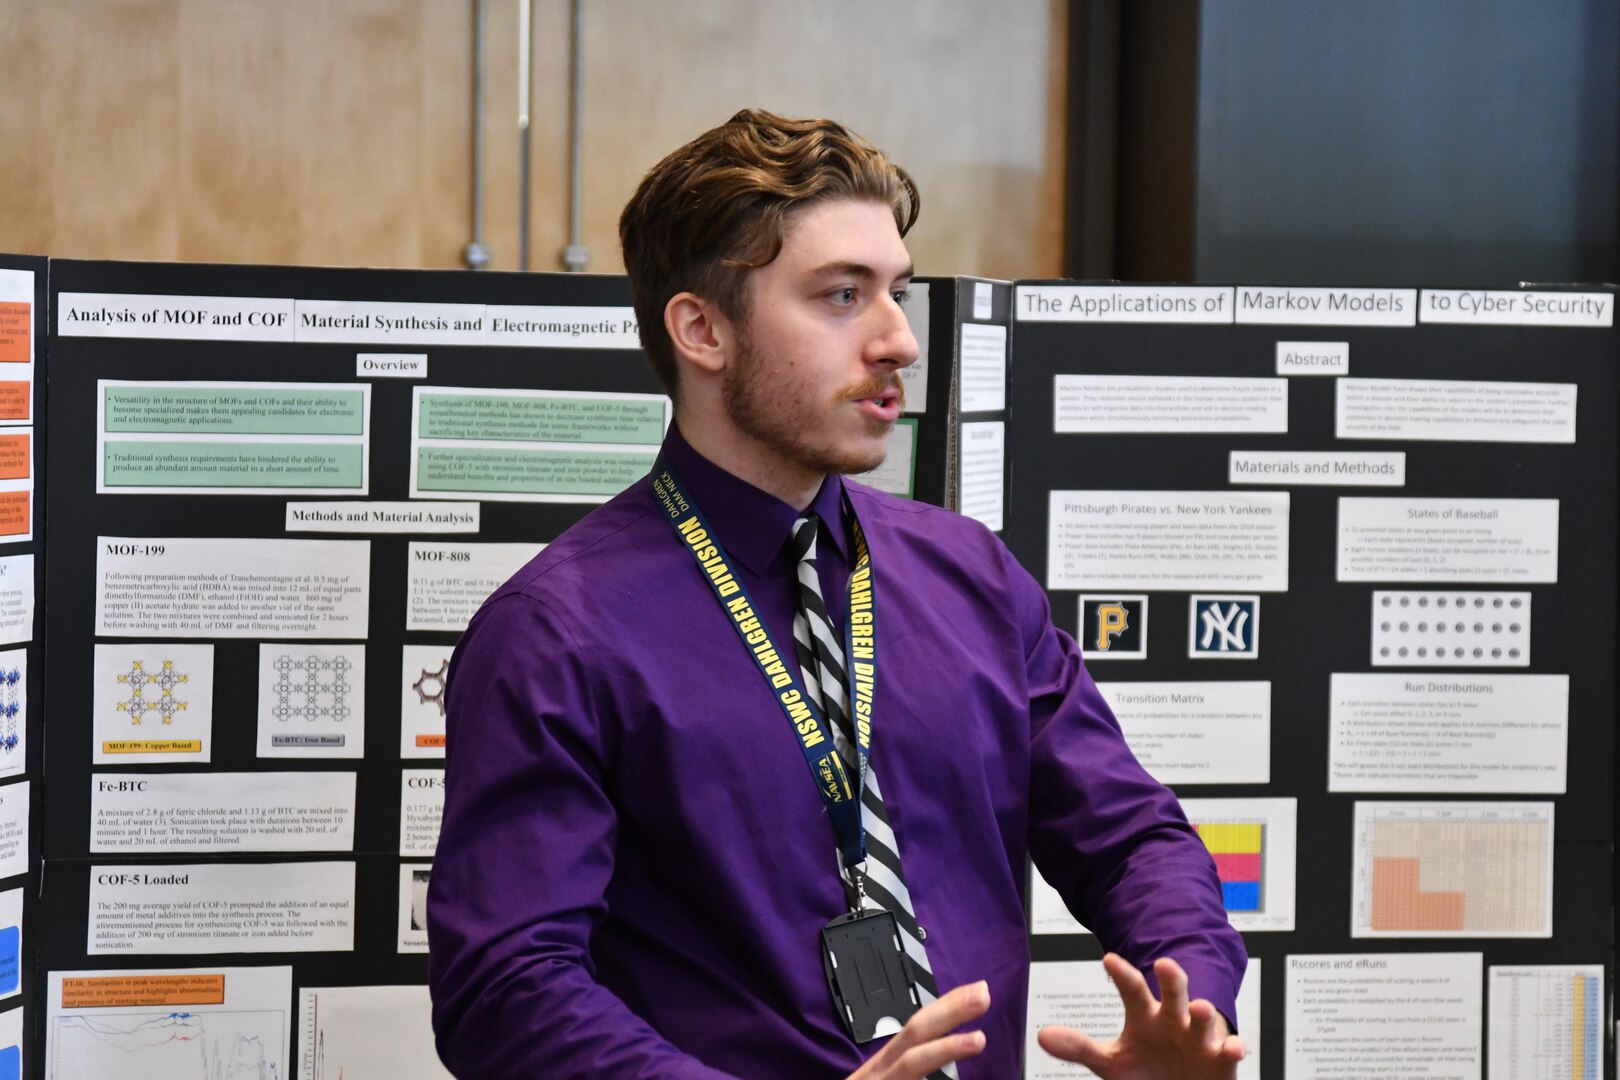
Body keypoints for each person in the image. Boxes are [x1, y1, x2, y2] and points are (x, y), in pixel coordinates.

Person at [427, 108, 1247, 1080]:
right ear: (702, 329)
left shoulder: (973, 581)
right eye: (841, 297)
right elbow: (507, 988)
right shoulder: (558, 635)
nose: (899, 339)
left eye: (894, 292)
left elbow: (1131, 837)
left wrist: (1188, 999)